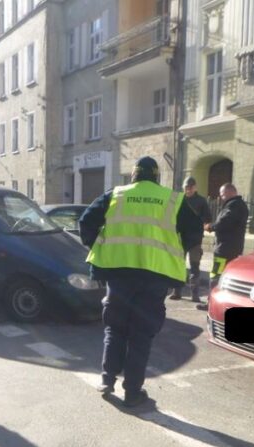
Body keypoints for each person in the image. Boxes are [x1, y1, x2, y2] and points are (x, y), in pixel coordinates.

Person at [79, 157, 202, 408]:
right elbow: (195, 230)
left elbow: (86, 221)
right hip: (154, 275)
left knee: (115, 328)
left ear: (134, 175)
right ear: (156, 177)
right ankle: (132, 393)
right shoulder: (172, 199)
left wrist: (100, 247)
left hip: (119, 273)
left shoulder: (116, 194)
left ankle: (107, 379)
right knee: (141, 335)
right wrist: (176, 250)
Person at [196, 183, 249, 311]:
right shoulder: (238, 205)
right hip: (232, 249)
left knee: (215, 276)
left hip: (224, 250)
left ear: (230, 192)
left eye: (222, 194)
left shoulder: (233, 206)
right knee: (228, 277)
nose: (220, 197)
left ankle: (211, 303)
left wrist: (209, 227)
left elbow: (223, 223)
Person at [169, 176, 212, 302]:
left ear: (195, 188)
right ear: (183, 187)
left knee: (194, 267)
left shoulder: (201, 201)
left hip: (195, 239)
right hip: (180, 239)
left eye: (191, 187)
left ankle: (195, 294)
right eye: (186, 187)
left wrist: (203, 225)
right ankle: (177, 291)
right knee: (178, 265)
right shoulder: (179, 200)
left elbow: (208, 218)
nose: (188, 189)